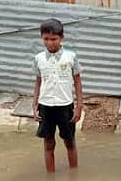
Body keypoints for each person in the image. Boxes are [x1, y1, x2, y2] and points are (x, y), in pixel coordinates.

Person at [32, 19, 84, 173]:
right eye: (46, 39)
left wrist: (79, 106)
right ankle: (50, 177)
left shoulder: (71, 57)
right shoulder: (38, 59)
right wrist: (34, 106)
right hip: (45, 106)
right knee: (48, 144)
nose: (50, 43)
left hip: (65, 105)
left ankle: (74, 176)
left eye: (54, 39)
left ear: (62, 38)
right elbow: (38, 82)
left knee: (70, 142)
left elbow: (78, 82)